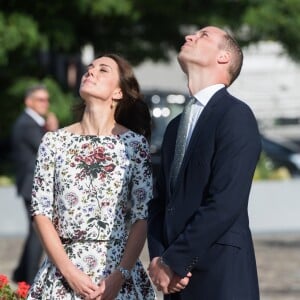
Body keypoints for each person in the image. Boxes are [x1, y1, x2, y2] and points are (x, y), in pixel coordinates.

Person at [27, 53, 156, 299]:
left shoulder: (134, 144)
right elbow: (40, 211)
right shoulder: (54, 141)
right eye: (90, 67)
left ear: (118, 92)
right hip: (62, 274)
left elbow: (143, 215)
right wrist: (69, 271)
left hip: (117, 275)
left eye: (103, 70)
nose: (91, 72)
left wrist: (120, 275)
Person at [147, 26, 261, 299]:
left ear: (224, 58)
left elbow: (225, 202)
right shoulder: (175, 127)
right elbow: (161, 202)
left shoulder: (236, 115)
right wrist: (158, 259)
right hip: (175, 283)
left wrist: (173, 261)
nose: (189, 37)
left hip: (221, 278)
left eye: (203, 36)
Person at [11, 84, 59, 284]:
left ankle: (21, 274)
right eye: (40, 99)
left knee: (35, 232)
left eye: (47, 99)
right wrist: (54, 130)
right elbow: (50, 151)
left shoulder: (33, 123)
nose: (45, 103)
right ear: (28, 101)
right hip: (33, 186)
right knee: (39, 234)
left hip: (32, 185)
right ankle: (29, 279)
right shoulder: (27, 124)